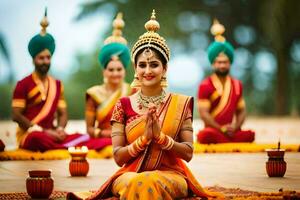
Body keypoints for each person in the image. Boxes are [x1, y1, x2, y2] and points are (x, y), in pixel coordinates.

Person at [67, 10, 220, 200]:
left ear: (165, 68)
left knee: (150, 182)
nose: (147, 71)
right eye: (142, 65)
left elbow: (188, 153)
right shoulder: (123, 105)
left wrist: (162, 138)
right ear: (135, 68)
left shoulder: (180, 104)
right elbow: (118, 157)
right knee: (137, 182)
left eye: (154, 65)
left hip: (171, 175)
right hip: (130, 175)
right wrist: (145, 138)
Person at [11, 10, 111, 152]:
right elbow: (16, 115)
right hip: (30, 134)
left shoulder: (57, 84)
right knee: (37, 139)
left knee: (83, 137)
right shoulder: (23, 84)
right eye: (41, 58)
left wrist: (60, 129)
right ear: (33, 59)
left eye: (48, 57)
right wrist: (42, 131)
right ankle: (65, 147)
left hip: (52, 135)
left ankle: (63, 145)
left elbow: (63, 113)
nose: (45, 61)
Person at [197, 19, 255, 144]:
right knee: (205, 135)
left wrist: (235, 127)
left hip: (232, 131)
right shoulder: (205, 85)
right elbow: (204, 114)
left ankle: (228, 138)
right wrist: (220, 128)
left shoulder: (237, 84)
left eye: (225, 62)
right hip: (213, 130)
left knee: (250, 135)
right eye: (219, 62)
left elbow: (242, 111)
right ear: (213, 64)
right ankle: (227, 139)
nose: (222, 65)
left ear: (230, 63)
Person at [85, 13, 132, 142]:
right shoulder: (93, 94)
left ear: (124, 71)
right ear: (104, 71)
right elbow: (89, 129)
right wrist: (104, 134)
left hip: (126, 140)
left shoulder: (132, 91)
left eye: (119, 69)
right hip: (101, 140)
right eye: (111, 69)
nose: (115, 73)